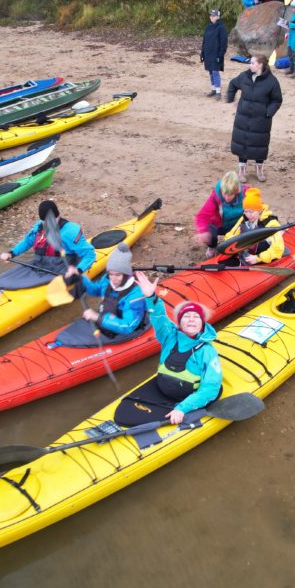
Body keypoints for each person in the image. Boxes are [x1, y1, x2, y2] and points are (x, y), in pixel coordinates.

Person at [112, 271, 222, 427]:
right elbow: (159, 317)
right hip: (161, 390)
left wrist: (182, 409)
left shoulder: (207, 352)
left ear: (202, 323)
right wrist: (151, 297)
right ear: (179, 321)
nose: (191, 319)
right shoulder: (168, 336)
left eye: (196, 316)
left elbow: (211, 388)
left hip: (186, 399)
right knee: (124, 415)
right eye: (187, 316)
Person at [0, 200, 96, 282]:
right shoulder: (38, 227)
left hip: (61, 268)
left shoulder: (70, 231)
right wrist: (11, 253)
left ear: (58, 216)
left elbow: (90, 254)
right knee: (3, 279)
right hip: (39, 265)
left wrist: (78, 270)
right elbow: (27, 242)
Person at [226, 54, 283, 184]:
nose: (249, 65)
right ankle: (242, 171)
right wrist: (232, 100)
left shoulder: (271, 81)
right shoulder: (243, 76)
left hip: (261, 120)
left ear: (260, 65)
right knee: (242, 143)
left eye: (252, 63)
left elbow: (277, 100)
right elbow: (232, 84)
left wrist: (268, 113)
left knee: (260, 145)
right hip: (243, 117)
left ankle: (259, 170)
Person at [74, 243, 147, 339]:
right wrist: (81, 278)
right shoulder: (107, 279)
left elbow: (128, 326)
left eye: (118, 275)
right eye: (111, 274)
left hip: (125, 330)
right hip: (106, 321)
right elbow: (96, 290)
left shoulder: (135, 296)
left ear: (125, 275)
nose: (113, 279)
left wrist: (98, 318)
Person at [222, 187, 285, 265]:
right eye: (246, 211)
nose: (248, 215)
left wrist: (258, 258)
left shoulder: (271, 223)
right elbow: (232, 234)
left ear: (259, 210)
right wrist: (226, 244)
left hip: (263, 255)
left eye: (251, 212)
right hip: (248, 252)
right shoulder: (244, 218)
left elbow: (278, 249)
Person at [194, 170, 248, 258]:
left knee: (249, 226)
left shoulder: (247, 193)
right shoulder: (215, 196)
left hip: (237, 226)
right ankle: (212, 247)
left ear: (237, 190)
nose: (227, 197)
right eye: (224, 193)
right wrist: (203, 231)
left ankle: (239, 246)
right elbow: (202, 216)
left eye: (230, 194)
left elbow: (258, 207)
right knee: (209, 228)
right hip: (220, 225)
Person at [200, 9, 228, 100]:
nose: (211, 17)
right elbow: (204, 41)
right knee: (210, 72)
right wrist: (202, 53)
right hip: (208, 53)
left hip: (216, 54)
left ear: (218, 16)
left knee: (215, 72)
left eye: (214, 15)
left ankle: (218, 92)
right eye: (211, 15)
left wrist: (221, 54)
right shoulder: (208, 27)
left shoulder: (221, 28)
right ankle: (213, 89)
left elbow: (223, 43)